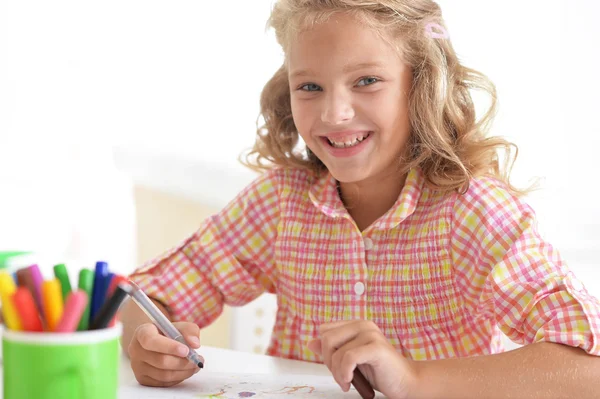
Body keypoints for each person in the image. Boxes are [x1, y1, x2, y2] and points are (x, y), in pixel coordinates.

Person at [119, 1, 600, 397]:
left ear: (422, 85)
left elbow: (588, 367)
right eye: (309, 86)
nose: (334, 112)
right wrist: (146, 342)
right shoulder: (281, 204)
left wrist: (414, 379)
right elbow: (137, 297)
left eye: (366, 81)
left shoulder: (473, 211)